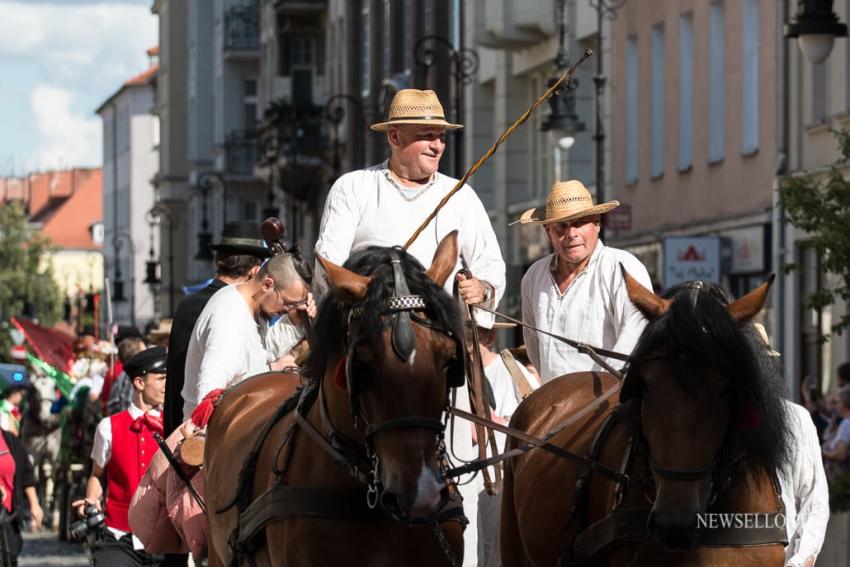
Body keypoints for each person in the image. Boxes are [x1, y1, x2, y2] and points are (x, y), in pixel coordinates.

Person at [313, 88, 507, 565]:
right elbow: (326, 267)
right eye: (425, 136)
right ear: (394, 136)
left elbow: (494, 269)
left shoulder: (460, 196)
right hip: (371, 343)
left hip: (436, 352)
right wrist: (378, 286)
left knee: (477, 454)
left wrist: (480, 290)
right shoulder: (354, 188)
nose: (436, 146)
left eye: (440, 136)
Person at [518, 180, 652, 382]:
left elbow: (635, 336)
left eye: (580, 223)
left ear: (597, 222)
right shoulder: (533, 276)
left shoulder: (622, 267)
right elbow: (533, 343)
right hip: (555, 404)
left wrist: (601, 392)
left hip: (610, 402)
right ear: (548, 231)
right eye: (560, 226)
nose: (571, 234)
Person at [164, 221, 272, 436]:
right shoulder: (231, 308)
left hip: (177, 423)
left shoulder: (189, 303)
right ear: (255, 271)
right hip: (204, 431)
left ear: (217, 261)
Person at [181, 253, 315, 420]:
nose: (288, 309)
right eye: (288, 302)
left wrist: (295, 319)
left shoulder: (251, 304)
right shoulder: (230, 318)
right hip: (224, 434)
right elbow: (209, 392)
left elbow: (261, 351)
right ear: (267, 284)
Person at [74, 346, 167, 566]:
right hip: (118, 536)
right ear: (139, 383)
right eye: (161, 378)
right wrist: (92, 500)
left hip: (166, 540)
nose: (167, 385)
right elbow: (97, 474)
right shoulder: (108, 427)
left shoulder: (173, 427)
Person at [473, 323, 537, 567]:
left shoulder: (512, 370)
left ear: (490, 336)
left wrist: (500, 422)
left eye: (473, 332)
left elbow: (536, 415)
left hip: (500, 476)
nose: (465, 338)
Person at [0, 419, 43, 566]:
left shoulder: (10, 441)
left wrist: (34, 504)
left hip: (8, 516)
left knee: (11, 556)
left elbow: (26, 474)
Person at [106, 337, 147, 415]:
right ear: (137, 356)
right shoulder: (130, 377)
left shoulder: (126, 375)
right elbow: (127, 407)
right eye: (145, 352)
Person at [822, 387, 850, 481]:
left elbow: (841, 454)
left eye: (837, 402)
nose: (835, 406)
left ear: (844, 404)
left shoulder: (846, 424)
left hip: (842, 481)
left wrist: (823, 453)